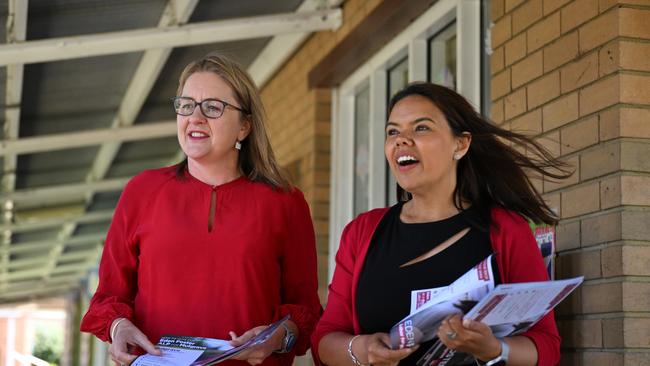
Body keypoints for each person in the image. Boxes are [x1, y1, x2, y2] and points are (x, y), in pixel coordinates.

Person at [80, 53, 321, 366]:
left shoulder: (285, 202)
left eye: (212, 107)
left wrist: (279, 336)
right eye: (186, 105)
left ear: (245, 126)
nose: (195, 117)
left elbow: (305, 311)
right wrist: (118, 326)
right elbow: (108, 297)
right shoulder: (142, 191)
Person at [312, 82, 571, 366]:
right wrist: (362, 349)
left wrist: (494, 349)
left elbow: (546, 348)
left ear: (460, 144)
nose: (401, 139)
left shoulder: (506, 229)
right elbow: (324, 340)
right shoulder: (362, 232)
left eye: (421, 128)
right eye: (392, 131)